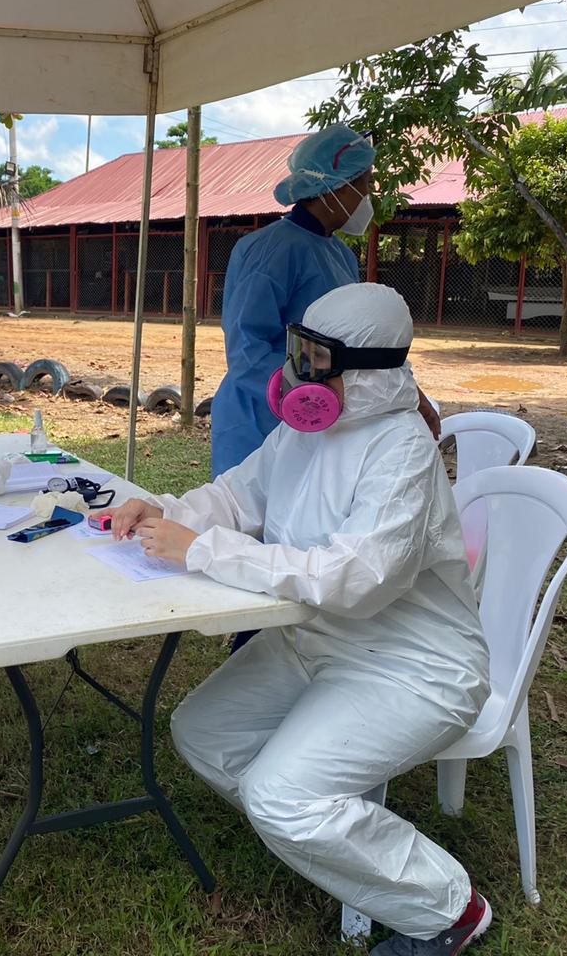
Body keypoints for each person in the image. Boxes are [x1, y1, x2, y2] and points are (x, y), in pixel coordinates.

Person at [112, 283, 492, 956]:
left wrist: (203, 550)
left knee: (283, 795)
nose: (298, 375)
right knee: (203, 733)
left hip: (415, 667)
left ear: (372, 373)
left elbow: (354, 580)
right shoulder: (301, 431)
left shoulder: (402, 450)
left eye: (317, 362)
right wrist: (164, 513)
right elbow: (235, 495)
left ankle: (447, 909)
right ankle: (328, 837)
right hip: (314, 641)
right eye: (298, 353)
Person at [211, 123, 440, 480]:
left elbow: (358, 344)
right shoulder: (267, 250)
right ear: (335, 186)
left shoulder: (340, 255)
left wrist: (410, 392)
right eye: (364, 184)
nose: (367, 196)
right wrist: (315, 391)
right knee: (246, 519)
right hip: (261, 415)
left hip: (320, 415)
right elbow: (248, 349)